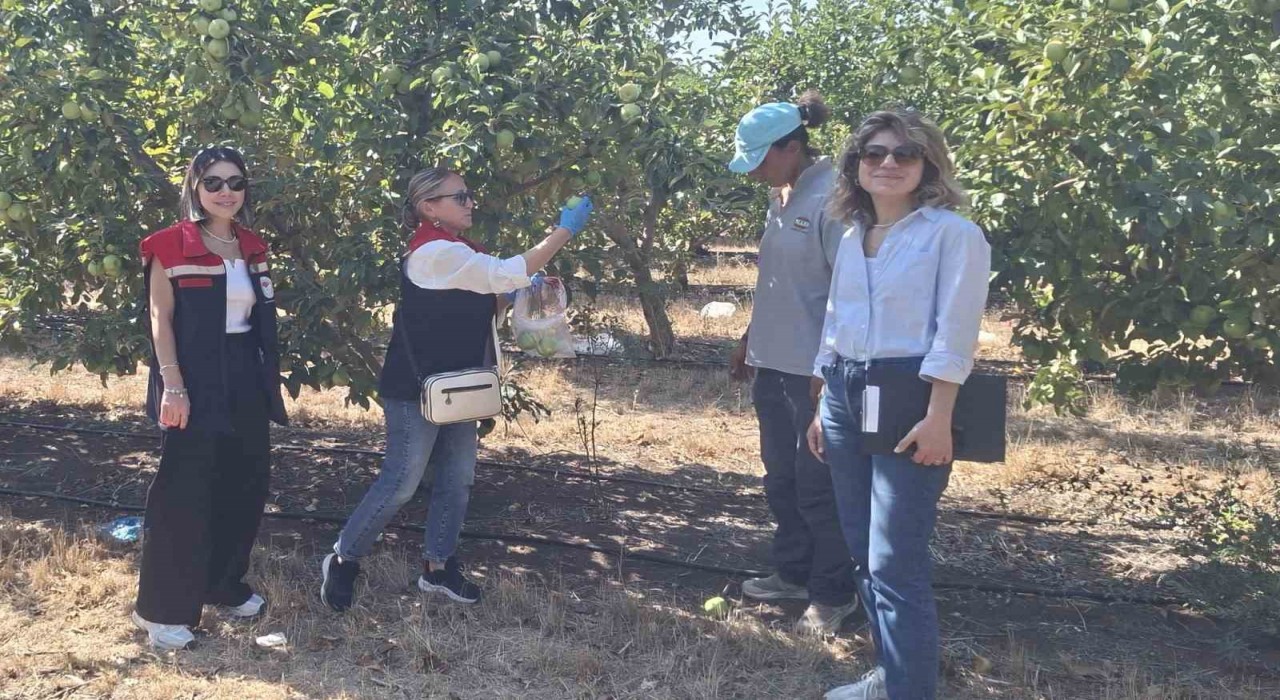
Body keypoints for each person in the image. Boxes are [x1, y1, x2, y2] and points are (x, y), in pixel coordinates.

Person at [320, 167, 593, 610]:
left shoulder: (459, 251)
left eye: (469, 195)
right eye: (459, 197)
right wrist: (563, 230)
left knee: (456, 479)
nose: (470, 203)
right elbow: (504, 272)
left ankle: (438, 567)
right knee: (401, 483)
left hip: (461, 382)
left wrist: (522, 292)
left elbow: (483, 295)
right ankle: (343, 558)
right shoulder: (433, 252)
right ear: (429, 206)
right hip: (418, 385)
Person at [808, 110, 991, 700]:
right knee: (862, 548)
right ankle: (891, 675)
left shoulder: (951, 233)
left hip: (908, 395)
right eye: (874, 154)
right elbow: (835, 323)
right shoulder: (849, 234)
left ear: (927, 166)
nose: (888, 163)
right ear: (855, 168)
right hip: (843, 392)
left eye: (904, 154)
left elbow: (955, 331)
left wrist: (940, 417)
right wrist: (821, 403)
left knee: (894, 558)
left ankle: (911, 690)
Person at [133, 146, 288, 650]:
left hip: (244, 373)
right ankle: (160, 611)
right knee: (185, 489)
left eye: (236, 182)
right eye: (214, 182)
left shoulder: (252, 245)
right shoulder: (170, 245)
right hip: (192, 376)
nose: (226, 192)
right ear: (195, 186)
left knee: (245, 482)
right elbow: (161, 319)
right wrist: (173, 384)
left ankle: (221, 584)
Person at [726, 90, 858, 635]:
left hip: (812, 373)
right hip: (774, 365)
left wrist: (827, 375)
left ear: (792, 147)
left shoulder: (833, 201)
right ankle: (794, 572)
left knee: (817, 485)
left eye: (760, 157)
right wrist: (749, 337)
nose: (753, 170)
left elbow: (846, 295)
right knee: (781, 478)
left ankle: (833, 592)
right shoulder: (781, 196)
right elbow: (782, 283)